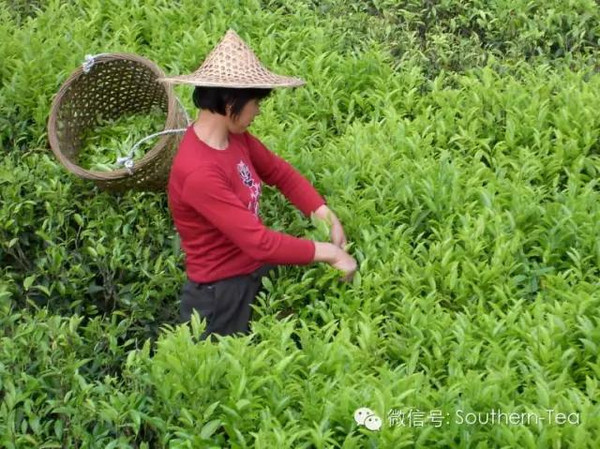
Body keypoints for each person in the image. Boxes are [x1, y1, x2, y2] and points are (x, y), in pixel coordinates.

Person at [159, 29, 357, 340]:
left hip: (252, 275)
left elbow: (280, 173)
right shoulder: (199, 171)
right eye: (255, 102)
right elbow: (258, 242)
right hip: (219, 298)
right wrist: (330, 253)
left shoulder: (235, 138)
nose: (259, 110)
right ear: (230, 102)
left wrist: (324, 214)